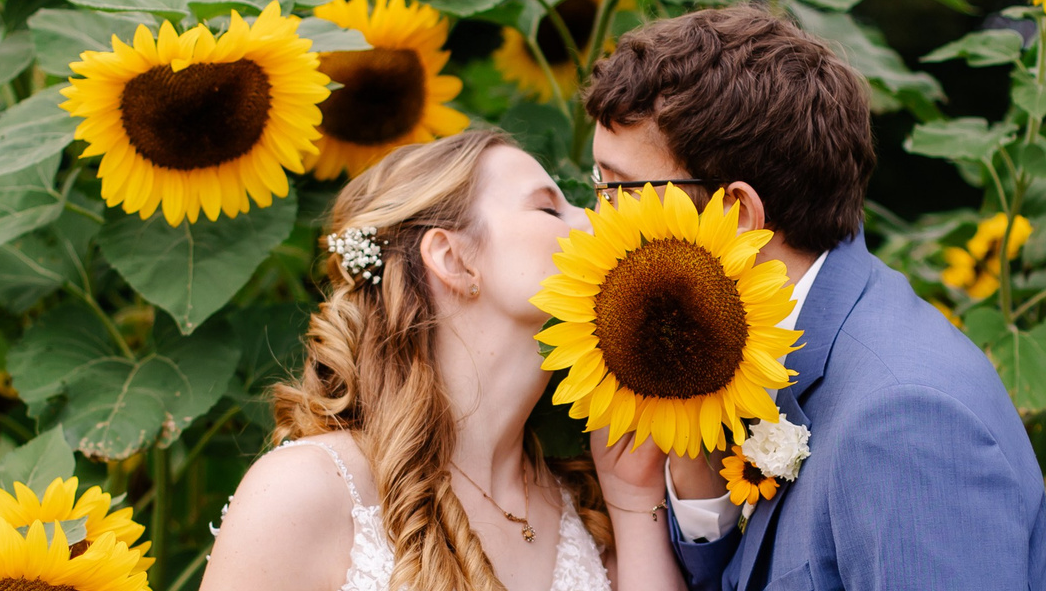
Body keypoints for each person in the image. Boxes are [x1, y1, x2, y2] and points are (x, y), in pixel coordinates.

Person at [582, 5, 1046, 591]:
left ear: (736, 214)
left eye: (616, 190)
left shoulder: (905, 421)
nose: (593, 222)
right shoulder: (772, 344)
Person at [202, 129, 689, 591]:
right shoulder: (305, 492)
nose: (596, 218)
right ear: (453, 259)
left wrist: (631, 502)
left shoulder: (585, 496)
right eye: (549, 208)